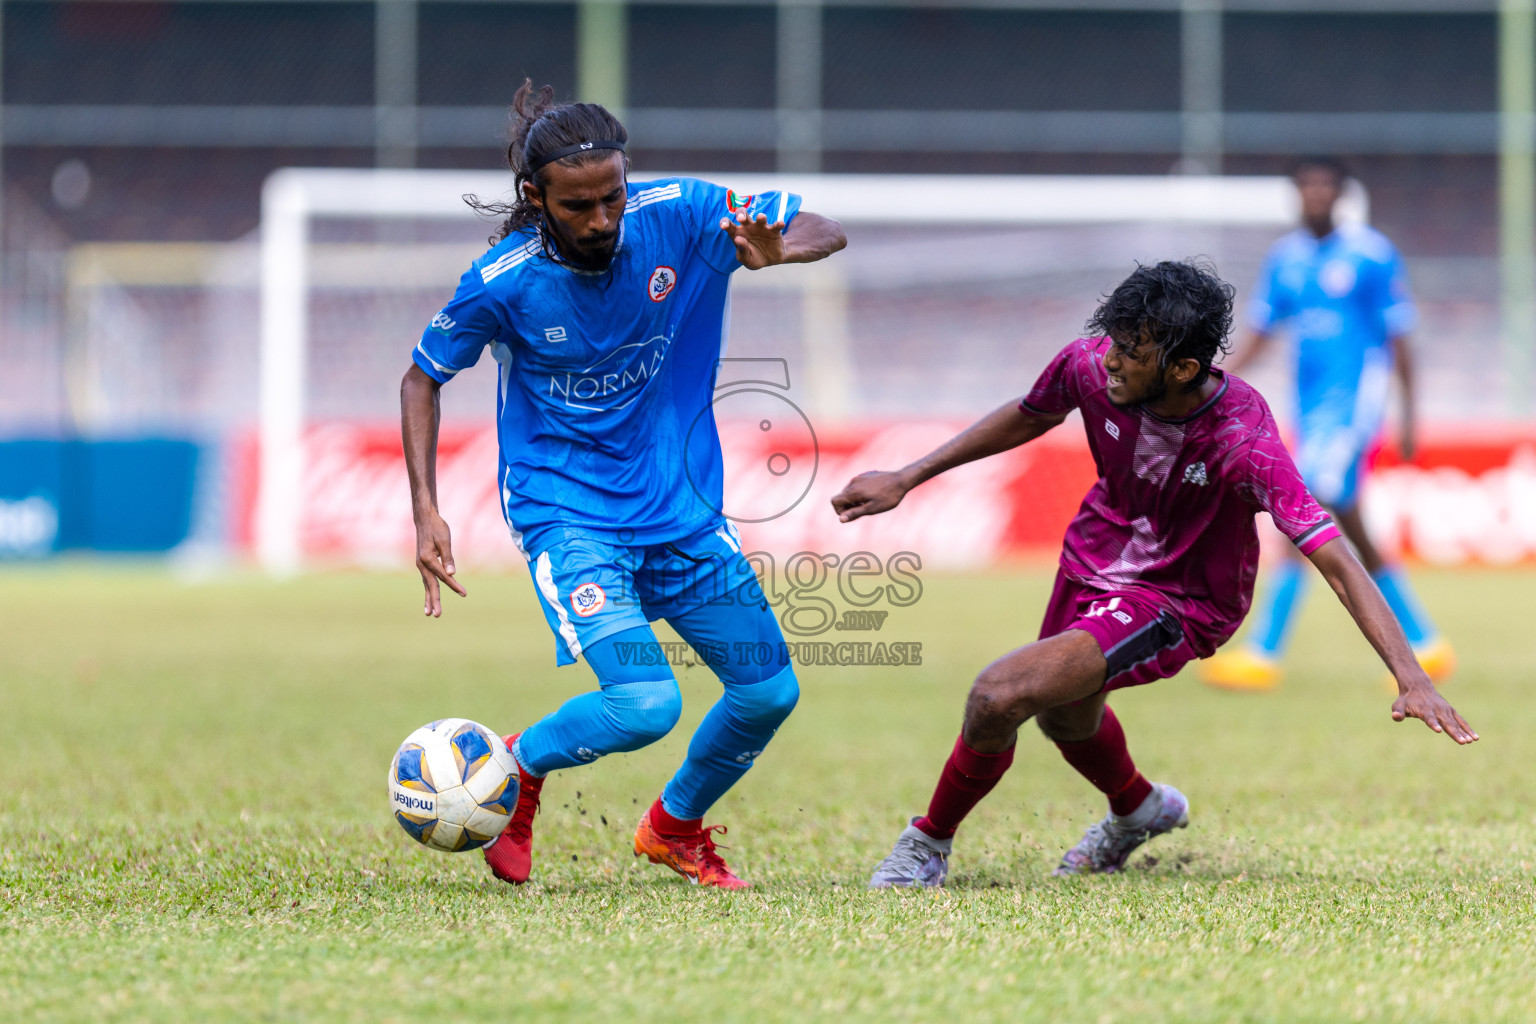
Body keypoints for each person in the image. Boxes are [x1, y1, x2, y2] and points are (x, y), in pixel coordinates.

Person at [831, 260, 1476, 887]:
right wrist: (907, 475)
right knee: (1063, 718)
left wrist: (1410, 675)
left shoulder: (1243, 440)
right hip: (1092, 560)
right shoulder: (1091, 363)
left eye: (1131, 351)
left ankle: (927, 843)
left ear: (1184, 368)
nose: (1110, 359)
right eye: (1113, 339)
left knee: (999, 694)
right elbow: (1032, 412)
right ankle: (1140, 809)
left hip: (1179, 599)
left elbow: (1333, 557)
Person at [401, 81, 846, 889]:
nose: (603, 220)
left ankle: (672, 829)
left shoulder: (681, 212)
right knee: (646, 706)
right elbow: (422, 377)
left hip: (680, 510)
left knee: (768, 692)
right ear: (535, 199)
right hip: (568, 511)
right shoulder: (502, 280)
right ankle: (515, 768)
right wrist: (426, 510)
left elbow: (822, 225)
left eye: (613, 196)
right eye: (578, 207)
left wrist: (782, 245)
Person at [1199, 156, 1453, 692]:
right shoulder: (1286, 259)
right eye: (1305, 187)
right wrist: (1207, 379)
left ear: (1341, 195)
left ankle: (1265, 651)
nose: (1314, 195)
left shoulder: (1371, 255)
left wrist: (1409, 416)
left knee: (1301, 514)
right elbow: (1263, 333)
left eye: (1324, 187)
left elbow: (1400, 338)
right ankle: (1426, 643)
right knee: (1352, 527)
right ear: (1296, 196)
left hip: (1354, 407)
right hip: (1310, 414)